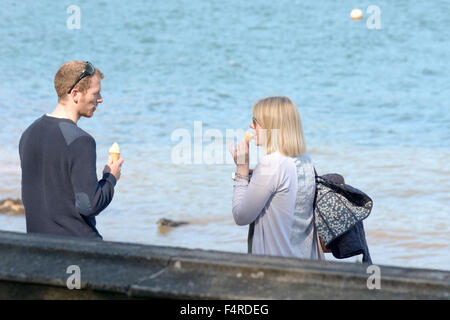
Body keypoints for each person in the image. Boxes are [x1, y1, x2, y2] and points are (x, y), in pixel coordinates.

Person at [19, 61, 124, 239]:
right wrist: (111, 177)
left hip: (38, 247)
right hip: (77, 249)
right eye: (96, 92)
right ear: (75, 94)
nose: (100, 98)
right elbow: (90, 205)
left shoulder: (29, 133)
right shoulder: (81, 141)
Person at [230, 96, 324, 260]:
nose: (251, 125)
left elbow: (241, 216)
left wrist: (242, 170)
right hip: (307, 263)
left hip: (276, 267)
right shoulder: (306, 160)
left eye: (255, 121)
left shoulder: (270, 164)